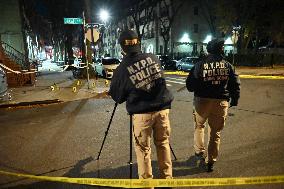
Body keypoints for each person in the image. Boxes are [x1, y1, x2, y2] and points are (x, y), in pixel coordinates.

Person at [109, 29, 174, 185]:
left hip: (141, 114)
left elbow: (117, 97)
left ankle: (147, 184)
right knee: (163, 144)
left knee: (143, 150)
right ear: (138, 43)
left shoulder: (121, 69)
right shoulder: (153, 58)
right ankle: (168, 180)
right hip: (162, 110)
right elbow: (161, 81)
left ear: (122, 48)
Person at [186, 38, 240, 172]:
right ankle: (210, 161)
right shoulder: (227, 65)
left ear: (208, 50)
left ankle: (199, 150)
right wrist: (235, 99)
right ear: (221, 50)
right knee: (215, 133)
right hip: (221, 102)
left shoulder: (200, 65)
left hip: (202, 101)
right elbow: (235, 84)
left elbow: (190, 86)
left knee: (199, 126)